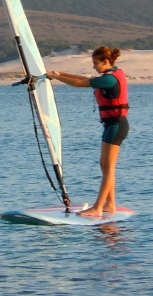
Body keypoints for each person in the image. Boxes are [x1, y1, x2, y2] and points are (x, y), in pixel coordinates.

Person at [46, 46, 129, 217]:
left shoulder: (110, 79)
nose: (94, 67)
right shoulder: (109, 75)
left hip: (117, 125)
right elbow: (85, 78)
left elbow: (79, 83)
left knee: (108, 168)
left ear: (106, 62)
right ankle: (110, 204)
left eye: (96, 63)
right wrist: (60, 73)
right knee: (104, 166)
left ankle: (98, 207)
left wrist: (55, 77)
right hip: (111, 125)